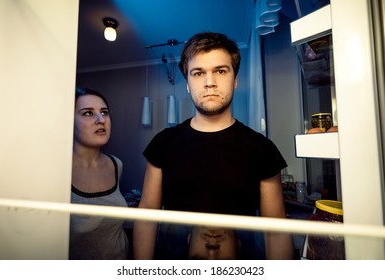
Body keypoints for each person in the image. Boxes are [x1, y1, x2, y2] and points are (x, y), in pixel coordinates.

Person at [133, 32, 293, 260]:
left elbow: (276, 231)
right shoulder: (163, 143)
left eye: (220, 71)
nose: (210, 82)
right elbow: (146, 217)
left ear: (235, 79)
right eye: (198, 73)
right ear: (187, 83)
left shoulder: (262, 149)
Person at [69, 87, 129, 260]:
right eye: (88, 113)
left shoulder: (116, 165)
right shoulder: (57, 170)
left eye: (104, 113)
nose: (100, 120)